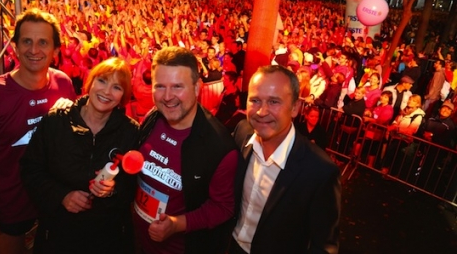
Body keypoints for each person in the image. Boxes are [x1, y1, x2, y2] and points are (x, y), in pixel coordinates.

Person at [0, 8, 77, 254]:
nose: (34, 50)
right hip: (9, 203)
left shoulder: (63, 84)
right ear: (14, 46)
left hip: (51, 198)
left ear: (56, 50)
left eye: (43, 43)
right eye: (26, 41)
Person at [20, 58, 138, 253]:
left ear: (123, 96)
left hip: (108, 237)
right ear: (90, 83)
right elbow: (30, 169)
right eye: (102, 81)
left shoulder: (130, 132)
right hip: (59, 234)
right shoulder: (56, 121)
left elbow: (134, 185)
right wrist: (62, 195)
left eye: (117, 87)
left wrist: (113, 189)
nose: (107, 92)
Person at [133, 46, 239, 254]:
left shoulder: (219, 147)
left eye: (177, 87)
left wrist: (176, 224)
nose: (167, 96)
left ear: (197, 88)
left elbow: (223, 208)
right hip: (137, 242)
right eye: (160, 86)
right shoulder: (152, 117)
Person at [230, 65, 341, 254]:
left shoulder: (319, 171)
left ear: (295, 108)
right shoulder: (242, 132)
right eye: (255, 100)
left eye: (274, 102)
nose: (262, 111)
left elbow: (324, 245)